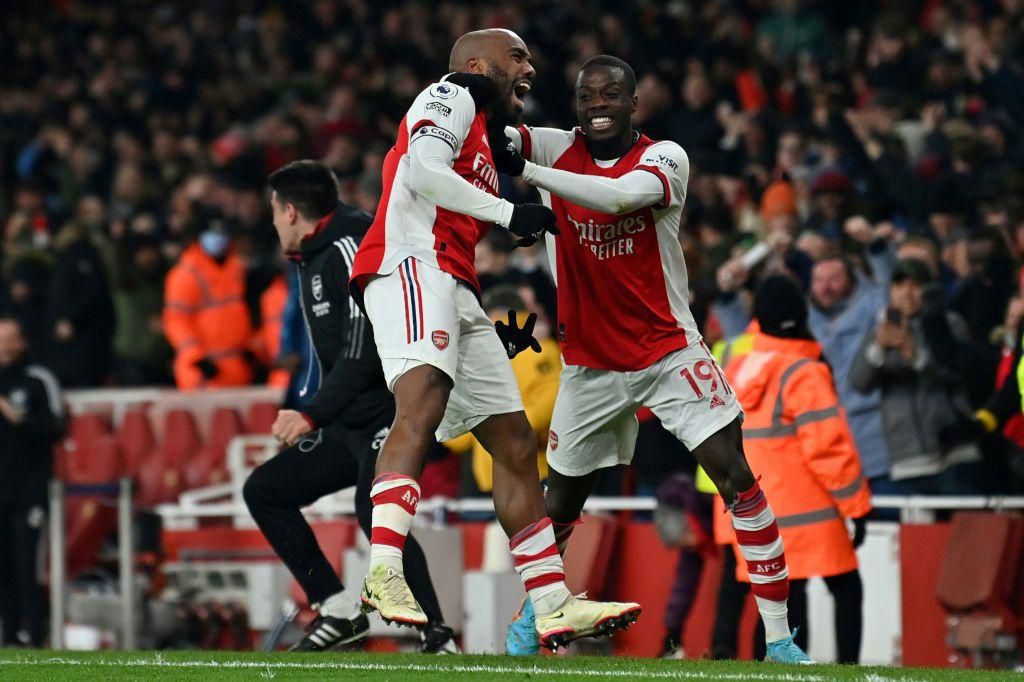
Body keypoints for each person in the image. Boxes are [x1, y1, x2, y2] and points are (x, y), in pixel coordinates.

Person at [493, 55, 810, 663]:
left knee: (736, 477)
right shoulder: (559, 145)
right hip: (590, 364)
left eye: (612, 95)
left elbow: (617, 200)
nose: (600, 106)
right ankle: (529, 620)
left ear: (634, 103)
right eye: (588, 97)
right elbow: (493, 133)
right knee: (558, 506)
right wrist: (486, 94)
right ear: (577, 103)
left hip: (668, 349)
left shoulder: (666, 158)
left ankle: (779, 639)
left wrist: (530, 171)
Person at [348, 30, 639, 649]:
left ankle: (552, 601)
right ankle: (383, 569)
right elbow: (422, 171)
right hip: (409, 262)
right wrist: (509, 213)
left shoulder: (482, 128)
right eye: (518, 58)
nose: (530, 68)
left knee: (511, 441)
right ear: (480, 66)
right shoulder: (451, 93)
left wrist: (509, 185)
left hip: (455, 278)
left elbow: (460, 181)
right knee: (422, 394)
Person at [242, 161, 456, 653]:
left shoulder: (350, 246)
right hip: (351, 420)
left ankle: (436, 635)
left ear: (291, 212)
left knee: (373, 508)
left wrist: (311, 412)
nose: (274, 224)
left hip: (390, 412)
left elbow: (364, 353)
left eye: (275, 214)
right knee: (266, 491)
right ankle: (338, 610)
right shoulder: (315, 253)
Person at [723, 275, 870, 663]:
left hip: (760, 512)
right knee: (847, 589)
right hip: (812, 513)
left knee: (778, 604)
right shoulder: (803, 371)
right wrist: (856, 506)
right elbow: (828, 449)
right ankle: (848, 670)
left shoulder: (738, 366)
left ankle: (764, 672)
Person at [849, 258, 982, 493]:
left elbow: (961, 375)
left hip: (954, 452)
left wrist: (915, 355)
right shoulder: (880, 332)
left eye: (915, 286)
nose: (907, 294)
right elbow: (859, 383)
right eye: (899, 286)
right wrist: (878, 349)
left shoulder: (950, 324)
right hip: (907, 458)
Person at [0, 317, 64, 646]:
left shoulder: (38, 379)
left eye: (11, 339)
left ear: (23, 342)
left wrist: (17, 419)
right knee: (4, 570)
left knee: (28, 568)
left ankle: (36, 639)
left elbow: (57, 428)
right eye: (0, 340)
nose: (5, 347)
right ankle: (9, 638)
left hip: (29, 493)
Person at [163, 212, 254, 390]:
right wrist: (195, 357)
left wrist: (252, 348)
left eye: (222, 234)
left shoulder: (237, 269)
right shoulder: (186, 274)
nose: (218, 239)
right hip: (202, 372)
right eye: (212, 234)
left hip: (237, 367)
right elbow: (176, 321)